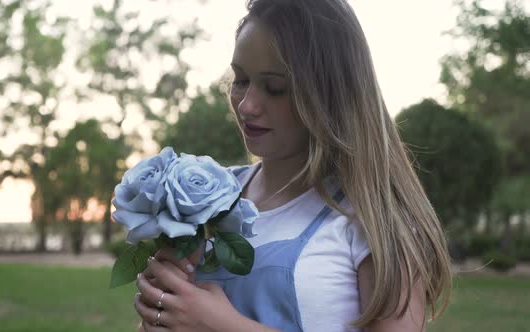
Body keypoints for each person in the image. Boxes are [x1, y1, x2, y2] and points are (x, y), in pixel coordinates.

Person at [133, 0, 452, 331]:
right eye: (241, 80)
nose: (246, 105)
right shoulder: (205, 198)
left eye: (275, 88)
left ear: (331, 95)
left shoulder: (372, 219)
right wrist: (158, 310)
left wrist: (220, 325)